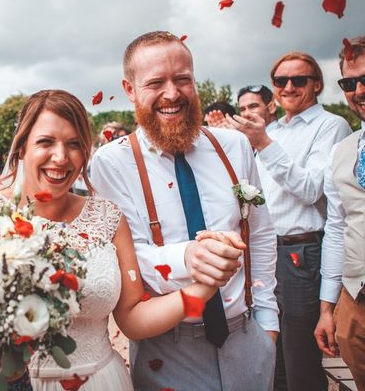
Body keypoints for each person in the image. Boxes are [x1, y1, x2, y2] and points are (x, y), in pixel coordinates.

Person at [0, 89, 237, 391]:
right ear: (21, 148)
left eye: (74, 144)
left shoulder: (108, 218)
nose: (60, 157)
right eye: (45, 142)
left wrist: (203, 288)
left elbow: (133, 320)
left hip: (95, 381)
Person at [91, 31, 279, 390]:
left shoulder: (234, 145)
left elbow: (260, 232)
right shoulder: (112, 163)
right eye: (156, 83)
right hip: (169, 346)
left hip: (247, 337)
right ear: (129, 90)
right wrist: (188, 257)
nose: (172, 94)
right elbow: (125, 258)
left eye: (183, 79)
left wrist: (267, 323)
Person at [225, 51, 351, 391]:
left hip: (302, 251)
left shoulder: (331, 126)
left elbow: (311, 190)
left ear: (317, 84)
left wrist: (263, 143)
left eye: (299, 80)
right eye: (281, 81)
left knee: (300, 357)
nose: (289, 86)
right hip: (264, 250)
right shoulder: (273, 129)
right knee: (268, 349)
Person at [315, 36, 365, 390]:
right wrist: (329, 308)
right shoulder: (343, 151)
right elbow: (337, 226)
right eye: (349, 83)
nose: (359, 91)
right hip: (355, 301)